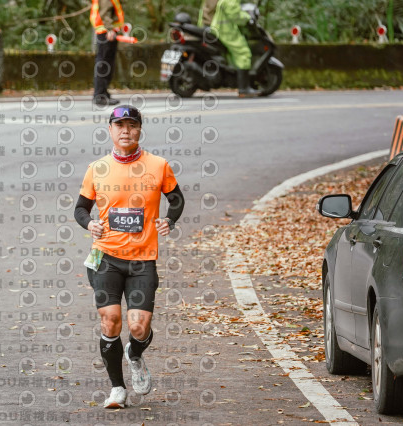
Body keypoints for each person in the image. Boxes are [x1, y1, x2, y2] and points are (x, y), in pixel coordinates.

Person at [74, 105, 185, 408]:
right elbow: (80, 208)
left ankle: (134, 353)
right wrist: (89, 223)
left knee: (138, 327)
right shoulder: (97, 168)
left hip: (142, 261)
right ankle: (117, 389)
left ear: (139, 130)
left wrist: (170, 219)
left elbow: (176, 199)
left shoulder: (158, 165)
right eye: (119, 125)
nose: (126, 131)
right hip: (105, 257)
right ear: (110, 130)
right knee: (110, 320)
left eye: (132, 125)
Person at [198, 0, 260, 97]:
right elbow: (235, 15)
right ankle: (244, 88)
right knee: (243, 53)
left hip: (211, 28)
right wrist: (248, 17)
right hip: (225, 30)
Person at [90, 0, 124, 106]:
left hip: (108, 31)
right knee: (104, 64)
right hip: (106, 32)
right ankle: (100, 96)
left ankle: (103, 93)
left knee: (108, 63)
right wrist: (110, 29)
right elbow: (104, 12)